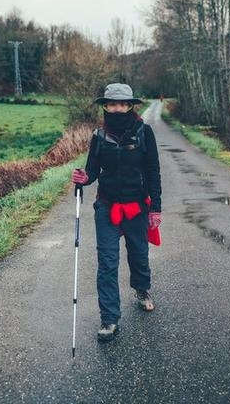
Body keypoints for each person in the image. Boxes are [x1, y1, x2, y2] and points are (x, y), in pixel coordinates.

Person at [71, 83, 162, 342]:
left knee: (139, 255)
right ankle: (109, 319)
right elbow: (92, 172)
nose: (117, 109)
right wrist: (83, 177)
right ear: (106, 106)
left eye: (122, 104)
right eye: (112, 104)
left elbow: (153, 173)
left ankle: (142, 290)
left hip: (137, 208)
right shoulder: (99, 136)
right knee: (107, 263)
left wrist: (155, 208)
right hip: (107, 207)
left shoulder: (145, 133)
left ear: (130, 106)